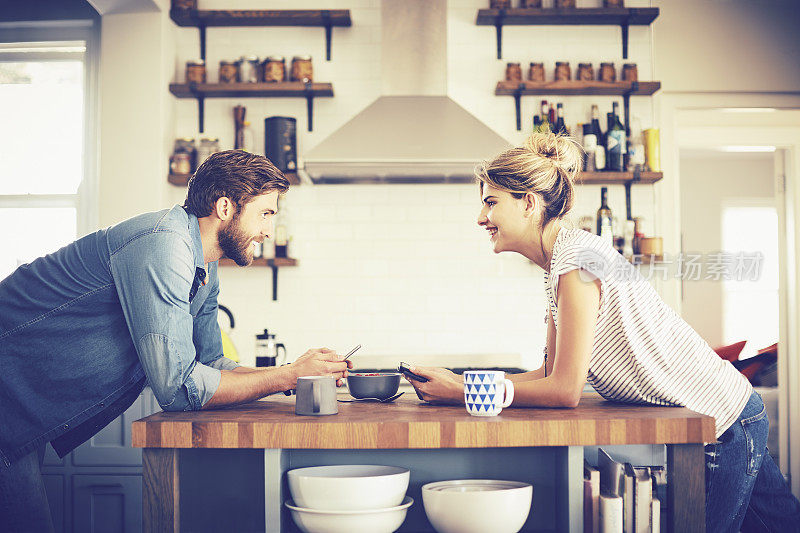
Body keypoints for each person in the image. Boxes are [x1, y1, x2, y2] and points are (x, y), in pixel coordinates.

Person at [404, 132, 800, 532]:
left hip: (723, 423)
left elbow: (564, 391)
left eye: (491, 203)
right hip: (730, 415)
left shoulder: (576, 261)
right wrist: (461, 384)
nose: (481, 218)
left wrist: (462, 391)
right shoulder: (561, 263)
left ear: (528, 203)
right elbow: (548, 375)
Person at [0, 150, 351, 532]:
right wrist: (285, 376)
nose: (269, 230)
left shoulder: (205, 261)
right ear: (224, 207)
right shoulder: (163, 246)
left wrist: (296, 375)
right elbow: (179, 388)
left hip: (22, 405)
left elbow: (212, 364)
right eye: (265, 213)